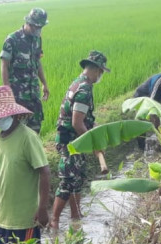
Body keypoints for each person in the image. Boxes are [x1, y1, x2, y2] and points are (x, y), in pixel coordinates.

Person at [0, 86, 50, 244]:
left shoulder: (28, 137)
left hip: (25, 219)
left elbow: (45, 172)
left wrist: (43, 208)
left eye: (2, 116)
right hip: (0, 217)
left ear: (12, 113)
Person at [51, 51, 110, 231]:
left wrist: (94, 128)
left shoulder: (78, 83)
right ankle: (54, 220)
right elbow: (77, 122)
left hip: (76, 140)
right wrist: (92, 144)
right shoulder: (84, 89)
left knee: (78, 178)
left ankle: (76, 216)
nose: (100, 76)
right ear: (96, 69)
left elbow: (84, 118)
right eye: (100, 72)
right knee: (68, 181)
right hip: (71, 141)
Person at [0, 8, 50, 133]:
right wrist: (7, 91)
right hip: (18, 95)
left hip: (34, 93)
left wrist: (44, 83)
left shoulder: (37, 39)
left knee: (35, 129)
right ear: (29, 23)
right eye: (36, 27)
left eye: (41, 27)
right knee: (17, 131)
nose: (39, 30)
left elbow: (37, 62)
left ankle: (33, 152)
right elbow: (4, 66)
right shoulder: (12, 39)